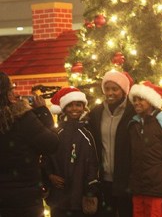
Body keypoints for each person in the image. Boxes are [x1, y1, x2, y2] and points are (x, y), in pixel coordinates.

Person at [0, 71, 59, 217]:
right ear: (7, 92)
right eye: (12, 87)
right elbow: (51, 144)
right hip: (24, 200)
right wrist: (43, 112)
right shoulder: (22, 118)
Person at [128, 80, 162, 217]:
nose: (136, 103)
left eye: (141, 99)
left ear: (150, 101)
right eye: (134, 99)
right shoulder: (133, 124)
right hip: (138, 189)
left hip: (157, 190)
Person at [43, 86, 99, 217]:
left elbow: (93, 163)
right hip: (59, 197)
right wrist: (50, 175)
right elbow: (46, 158)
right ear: (64, 108)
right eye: (70, 106)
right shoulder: (56, 132)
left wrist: (90, 190)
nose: (74, 109)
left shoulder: (88, 133)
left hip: (80, 196)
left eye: (78, 105)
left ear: (83, 107)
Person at [88, 70, 136, 217]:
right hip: (104, 181)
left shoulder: (133, 112)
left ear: (123, 91)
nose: (110, 93)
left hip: (127, 180)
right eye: (107, 89)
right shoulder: (96, 113)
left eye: (114, 89)